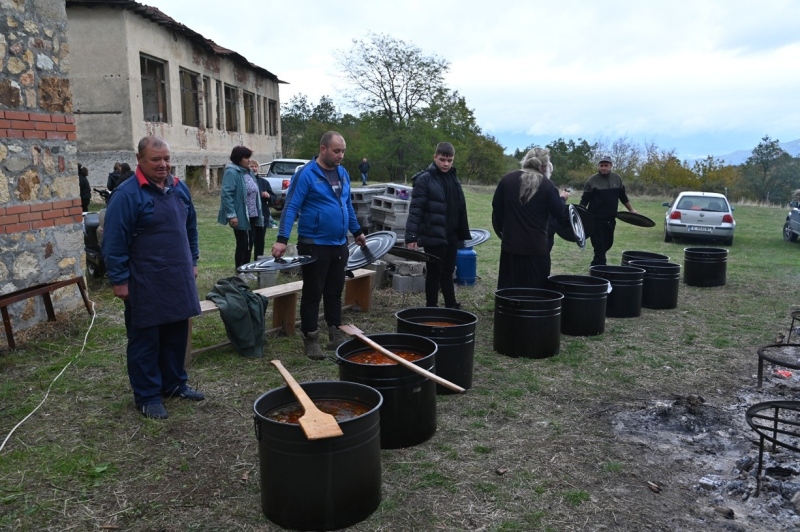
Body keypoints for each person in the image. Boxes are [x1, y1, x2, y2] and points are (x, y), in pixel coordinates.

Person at [101, 136, 203, 420]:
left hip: (178, 277)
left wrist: (192, 260)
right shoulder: (126, 195)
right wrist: (120, 280)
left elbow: (191, 227)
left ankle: (174, 384)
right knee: (145, 340)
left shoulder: (178, 188)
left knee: (175, 334)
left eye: (167, 159)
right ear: (140, 160)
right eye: (156, 160)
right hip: (144, 280)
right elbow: (113, 242)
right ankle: (147, 396)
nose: (163, 165)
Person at [271, 131, 366, 360]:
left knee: (334, 291)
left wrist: (357, 231)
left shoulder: (342, 173)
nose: (340, 155)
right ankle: (311, 337)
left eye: (343, 151)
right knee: (313, 292)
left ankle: (335, 332)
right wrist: (282, 239)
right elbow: (291, 206)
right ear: (323, 149)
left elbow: (347, 206)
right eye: (336, 151)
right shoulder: (307, 174)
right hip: (314, 244)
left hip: (339, 244)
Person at [492, 147, 570, 289]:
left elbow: (497, 209)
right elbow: (560, 213)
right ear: (545, 166)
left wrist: (508, 227)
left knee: (509, 288)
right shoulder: (548, 185)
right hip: (536, 248)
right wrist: (562, 199)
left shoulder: (507, 180)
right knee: (535, 291)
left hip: (511, 246)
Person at [405, 142, 471, 309]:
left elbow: (460, 207)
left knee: (448, 272)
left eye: (450, 160)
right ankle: (431, 307)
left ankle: (451, 305)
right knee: (434, 273)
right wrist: (411, 236)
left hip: (452, 234)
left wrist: (462, 233)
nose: (446, 164)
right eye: (442, 159)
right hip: (433, 234)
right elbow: (416, 210)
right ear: (435, 157)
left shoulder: (453, 178)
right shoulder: (424, 179)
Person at [579, 155, 638, 266]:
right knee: (599, 245)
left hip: (611, 218)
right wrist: (581, 213)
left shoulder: (617, 178)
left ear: (611, 166)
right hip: (595, 219)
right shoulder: (592, 180)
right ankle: (600, 269)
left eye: (606, 165)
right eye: (601, 165)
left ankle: (596, 265)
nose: (603, 168)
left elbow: (623, 197)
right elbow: (585, 199)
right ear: (598, 166)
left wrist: (631, 210)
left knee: (607, 243)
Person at [217, 146, 264, 276]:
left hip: (253, 214)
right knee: (243, 243)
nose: (249, 160)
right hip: (241, 214)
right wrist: (232, 215)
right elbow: (227, 194)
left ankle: (247, 269)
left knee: (250, 242)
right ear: (238, 158)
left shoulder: (248, 172)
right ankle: (240, 271)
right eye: (246, 158)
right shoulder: (232, 172)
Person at [249, 158, 277, 260]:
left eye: (256, 166)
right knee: (249, 242)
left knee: (260, 242)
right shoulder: (245, 181)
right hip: (250, 217)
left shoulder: (264, 182)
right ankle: (246, 264)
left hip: (262, 217)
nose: (254, 168)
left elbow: (274, 199)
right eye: (251, 166)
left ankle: (258, 263)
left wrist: (268, 196)